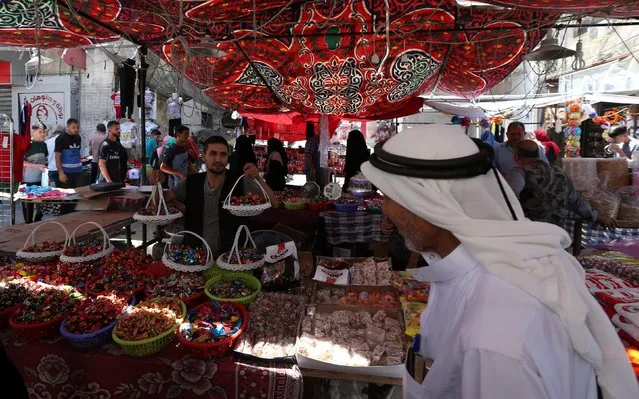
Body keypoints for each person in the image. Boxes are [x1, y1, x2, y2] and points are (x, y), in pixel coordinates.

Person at [361, 124, 638, 399]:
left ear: (425, 206)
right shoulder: (476, 272)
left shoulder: (494, 336)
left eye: (388, 197)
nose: (384, 208)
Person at [164, 136, 279, 254]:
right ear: (204, 157)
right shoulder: (191, 182)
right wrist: (157, 184)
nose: (218, 159)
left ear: (227, 157)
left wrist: (258, 178)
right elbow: (166, 198)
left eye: (223, 154)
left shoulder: (239, 181)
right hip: (196, 256)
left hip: (231, 257)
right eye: (213, 154)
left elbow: (274, 203)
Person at [505, 140, 615, 228]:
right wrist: (597, 216)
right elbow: (576, 201)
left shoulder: (519, 172)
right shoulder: (560, 172)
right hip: (556, 231)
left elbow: (509, 197)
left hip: (530, 231)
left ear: (516, 156)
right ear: (538, 154)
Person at [22, 123, 48, 223]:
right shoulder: (27, 144)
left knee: (40, 208)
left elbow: (44, 159)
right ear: (33, 131)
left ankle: (37, 223)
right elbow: (21, 162)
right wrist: (37, 166)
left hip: (41, 179)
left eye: (44, 132)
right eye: (40, 132)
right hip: (28, 179)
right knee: (29, 206)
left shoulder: (44, 144)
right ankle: (28, 224)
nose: (43, 134)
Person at [54, 118, 83, 189]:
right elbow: (57, 157)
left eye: (77, 127)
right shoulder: (60, 138)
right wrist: (61, 173)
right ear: (68, 126)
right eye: (74, 127)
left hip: (78, 171)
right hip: (66, 172)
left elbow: (78, 153)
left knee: (79, 194)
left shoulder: (78, 137)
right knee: (67, 196)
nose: (76, 129)